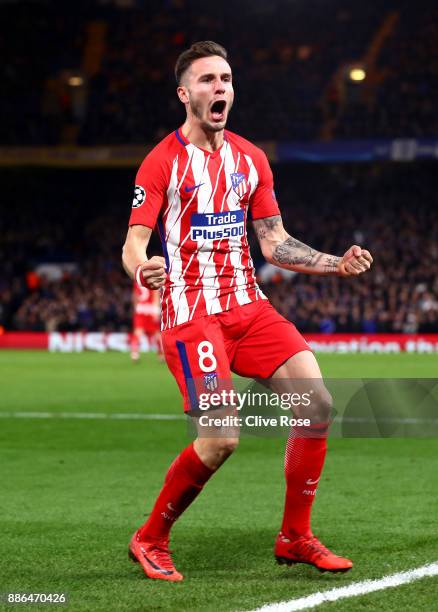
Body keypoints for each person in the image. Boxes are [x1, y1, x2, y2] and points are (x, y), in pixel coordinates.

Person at [122, 41, 373, 582]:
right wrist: (143, 267)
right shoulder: (162, 161)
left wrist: (336, 263)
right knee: (221, 438)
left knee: (318, 405)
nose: (221, 89)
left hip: (248, 308)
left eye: (227, 79)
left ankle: (295, 537)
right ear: (184, 94)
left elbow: (274, 241)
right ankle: (149, 539)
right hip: (193, 316)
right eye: (209, 80)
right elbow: (133, 243)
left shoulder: (250, 158)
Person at [130, 281, 162, 361]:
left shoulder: (137, 280)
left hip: (140, 308)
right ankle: (161, 354)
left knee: (138, 332)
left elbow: (135, 295)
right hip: (151, 309)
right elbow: (156, 293)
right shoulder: (152, 278)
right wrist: (156, 310)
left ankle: (135, 353)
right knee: (157, 333)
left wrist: (136, 308)